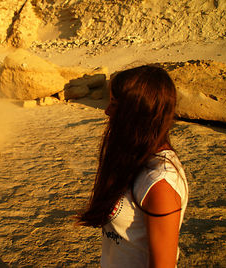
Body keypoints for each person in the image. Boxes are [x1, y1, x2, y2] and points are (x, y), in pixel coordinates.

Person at [77, 65, 188, 267]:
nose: (107, 111)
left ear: (138, 112)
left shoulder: (160, 183)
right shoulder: (134, 157)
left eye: (114, 104)